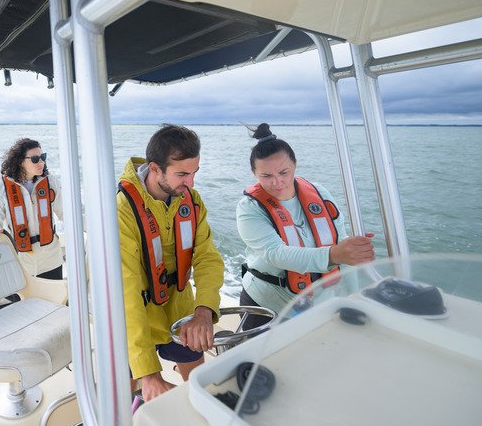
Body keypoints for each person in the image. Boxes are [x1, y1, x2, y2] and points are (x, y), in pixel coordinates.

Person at [117, 124, 225, 403]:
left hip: (180, 311)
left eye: (194, 173)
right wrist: (148, 374)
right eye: (182, 174)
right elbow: (126, 290)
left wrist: (203, 312)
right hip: (133, 318)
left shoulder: (191, 201)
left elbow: (207, 258)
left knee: (202, 390)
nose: (191, 183)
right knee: (127, 397)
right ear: (155, 169)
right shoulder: (121, 210)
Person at [237, 123, 375, 329]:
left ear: (295, 165)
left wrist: (353, 297)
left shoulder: (319, 193)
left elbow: (344, 249)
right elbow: (277, 254)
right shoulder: (248, 209)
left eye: (284, 172)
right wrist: (334, 255)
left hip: (316, 303)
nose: (277, 182)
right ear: (253, 173)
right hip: (266, 304)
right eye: (266, 176)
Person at [0, 138, 64, 279]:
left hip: (51, 259)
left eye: (42, 157)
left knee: (55, 301)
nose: (41, 162)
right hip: (19, 261)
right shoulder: (1, 185)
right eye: (35, 159)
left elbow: (67, 213)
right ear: (20, 161)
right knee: (24, 301)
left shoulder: (51, 182)